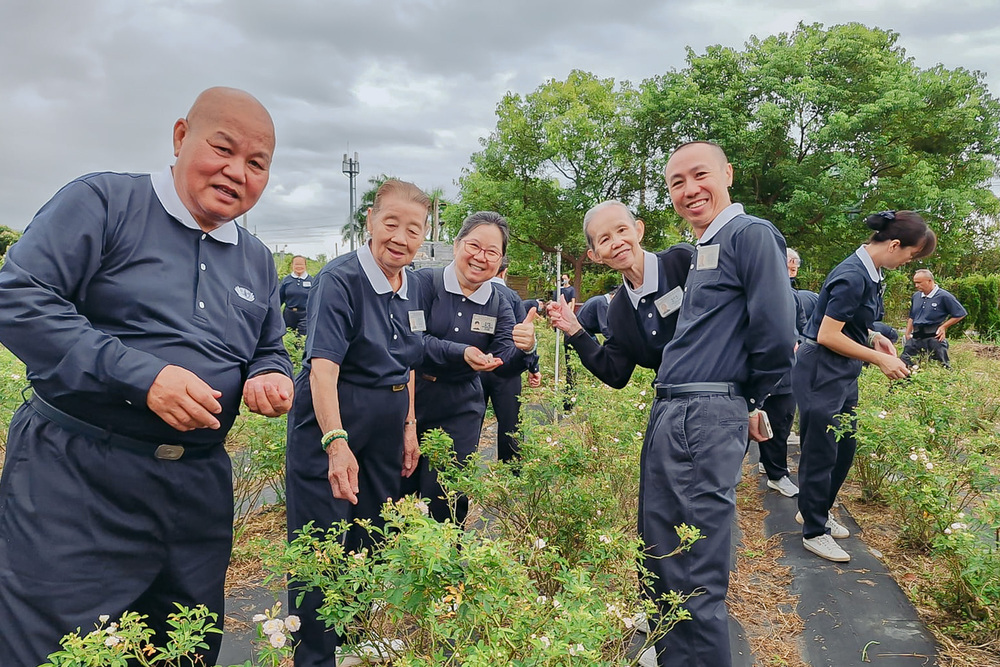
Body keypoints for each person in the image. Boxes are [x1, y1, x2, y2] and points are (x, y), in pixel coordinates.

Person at [0, 87, 294, 667]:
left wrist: (268, 374)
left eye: (256, 164)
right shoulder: (104, 202)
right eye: (223, 148)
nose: (237, 172)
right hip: (77, 476)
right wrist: (142, 376)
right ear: (182, 136)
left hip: (195, 490)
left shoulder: (257, 259)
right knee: (54, 648)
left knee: (182, 644)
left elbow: (269, 347)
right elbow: (18, 299)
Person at [643, 141, 796, 667]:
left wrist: (740, 399)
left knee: (692, 567)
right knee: (663, 551)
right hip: (681, 412)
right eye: (675, 183)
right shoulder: (707, 246)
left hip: (700, 415)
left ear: (727, 173)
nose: (688, 190)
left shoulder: (748, 234)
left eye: (699, 175)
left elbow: (777, 336)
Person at [284, 179, 430, 667]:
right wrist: (335, 442)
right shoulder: (340, 279)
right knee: (322, 540)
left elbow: (408, 361)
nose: (401, 238)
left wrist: (409, 425)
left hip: (387, 422)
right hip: (336, 419)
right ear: (370, 220)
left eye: (414, 229)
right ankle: (315, 656)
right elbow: (323, 367)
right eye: (391, 224)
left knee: (371, 532)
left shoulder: (412, 285)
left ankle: (353, 637)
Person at [795, 211, 936, 564]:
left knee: (843, 447)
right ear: (893, 244)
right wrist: (880, 360)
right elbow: (826, 334)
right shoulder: (852, 275)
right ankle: (814, 531)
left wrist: (874, 337)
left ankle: (816, 510)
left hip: (843, 369)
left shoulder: (870, 274)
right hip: (821, 369)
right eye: (910, 255)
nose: (908, 262)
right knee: (821, 450)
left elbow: (849, 322)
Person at [405, 211, 537, 524]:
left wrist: (525, 347)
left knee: (448, 495)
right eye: (474, 246)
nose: (481, 257)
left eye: (492, 252)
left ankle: (447, 565)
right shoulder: (423, 284)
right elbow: (414, 343)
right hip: (412, 398)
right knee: (401, 491)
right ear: (457, 244)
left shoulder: (498, 301)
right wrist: (460, 352)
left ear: (501, 259)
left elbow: (503, 362)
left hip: (461, 405)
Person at [546, 201, 693, 389]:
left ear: (638, 230)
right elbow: (616, 372)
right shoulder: (619, 310)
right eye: (605, 239)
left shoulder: (681, 262)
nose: (617, 243)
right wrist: (574, 329)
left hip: (720, 393)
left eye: (622, 230)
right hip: (671, 401)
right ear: (595, 256)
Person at [756, 247, 805, 498]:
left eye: (794, 266)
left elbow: (804, 328)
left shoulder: (793, 297)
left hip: (785, 373)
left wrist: (798, 341)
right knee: (739, 426)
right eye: (788, 264)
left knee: (780, 423)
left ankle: (776, 473)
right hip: (753, 372)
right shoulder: (754, 290)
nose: (791, 269)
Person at [481, 257, 542, 462]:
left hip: (474, 367)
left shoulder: (474, 291)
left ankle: (463, 473)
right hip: (506, 368)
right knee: (510, 423)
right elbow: (524, 336)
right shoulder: (513, 297)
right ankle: (512, 472)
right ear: (504, 272)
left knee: (469, 421)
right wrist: (534, 367)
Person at [901, 269, 966, 368]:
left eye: (919, 283)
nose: (916, 286)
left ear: (929, 281)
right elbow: (912, 316)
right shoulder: (916, 296)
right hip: (916, 337)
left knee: (941, 365)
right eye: (915, 283)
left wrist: (944, 326)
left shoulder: (944, 296)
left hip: (933, 336)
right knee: (905, 362)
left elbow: (960, 313)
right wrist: (907, 333)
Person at [280, 255, 312, 335]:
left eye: (301, 264)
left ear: (305, 266)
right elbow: (279, 298)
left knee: (302, 337)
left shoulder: (312, 281)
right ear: (292, 265)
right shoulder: (286, 280)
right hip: (289, 314)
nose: (299, 266)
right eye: (296, 264)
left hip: (305, 314)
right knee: (288, 335)